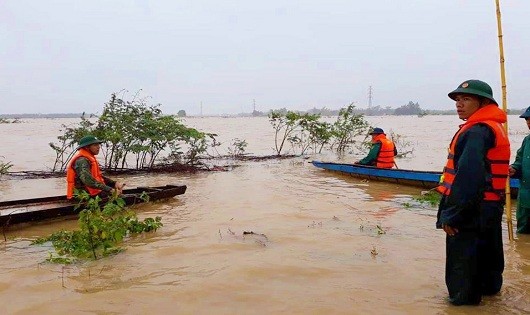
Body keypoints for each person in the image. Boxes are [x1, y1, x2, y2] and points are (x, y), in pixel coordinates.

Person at [436, 79, 510, 306]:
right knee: (487, 270)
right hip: (489, 207)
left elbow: (469, 178)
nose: (459, 104)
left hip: (471, 211)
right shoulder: (492, 127)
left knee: (463, 278)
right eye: (458, 100)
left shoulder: (477, 131)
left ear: (484, 102)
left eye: (466, 99)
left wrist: (452, 215)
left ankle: (464, 306)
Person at [66, 135, 124, 199]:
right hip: (83, 195)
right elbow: (88, 181)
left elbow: (97, 176)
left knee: (116, 191)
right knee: (119, 197)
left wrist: (114, 183)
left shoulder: (88, 158)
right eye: (95, 145)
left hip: (90, 191)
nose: (98, 147)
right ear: (87, 147)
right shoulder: (82, 160)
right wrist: (110, 190)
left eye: (98, 145)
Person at [509, 106, 530, 234]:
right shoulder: (527, 140)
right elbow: (519, 161)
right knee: (522, 234)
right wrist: (514, 169)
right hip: (525, 198)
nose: (528, 122)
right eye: (527, 119)